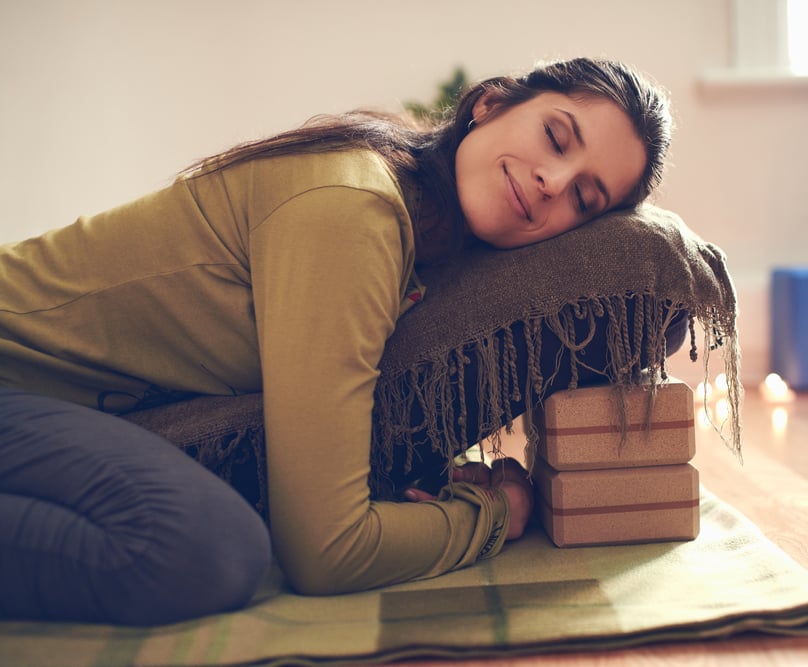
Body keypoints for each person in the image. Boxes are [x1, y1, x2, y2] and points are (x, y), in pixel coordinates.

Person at [0, 57, 674, 626]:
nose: (551, 183)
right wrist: (495, 511)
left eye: (583, 199)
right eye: (556, 138)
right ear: (489, 104)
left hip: (45, 402)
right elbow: (328, 550)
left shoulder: (414, 231)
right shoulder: (355, 208)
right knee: (205, 549)